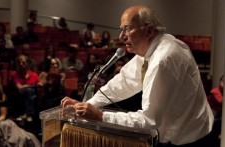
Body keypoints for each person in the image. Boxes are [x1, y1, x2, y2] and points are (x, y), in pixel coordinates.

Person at [61, 4, 214, 147]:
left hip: (191, 140)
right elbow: (124, 81)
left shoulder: (162, 60)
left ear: (149, 30)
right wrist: (90, 104)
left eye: (127, 29)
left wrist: (101, 116)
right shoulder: (154, 46)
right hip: (188, 131)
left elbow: (148, 121)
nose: (121, 36)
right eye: (121, 29)